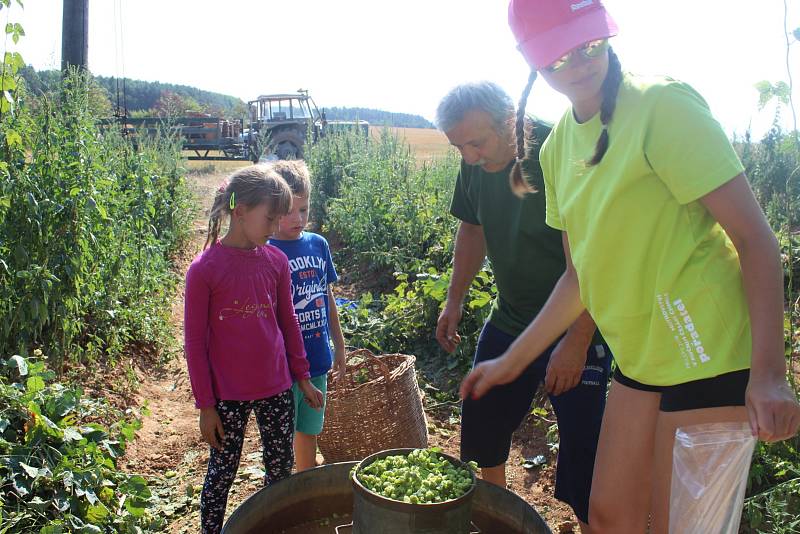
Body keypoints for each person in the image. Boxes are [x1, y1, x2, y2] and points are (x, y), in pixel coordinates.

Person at [461, 1, 800, 532]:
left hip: (707, 353)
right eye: (558, 57)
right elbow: (579, 277)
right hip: (640, 359)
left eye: (589, 45)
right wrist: (512, 361)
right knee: (609, 516)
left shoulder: (662, 105)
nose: (578, 64)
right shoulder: (554, 150)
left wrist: (770, 376)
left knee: (682, 526)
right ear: (535, 64)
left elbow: (756, 240)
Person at [435, 81, 611, 530]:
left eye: (476, 143)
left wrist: (578, 338)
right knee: (481, 420)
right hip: (512, 317)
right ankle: (500, 522)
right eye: (459, 147)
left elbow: (601, 252)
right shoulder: (473, 162)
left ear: (512, 122)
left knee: (584, 449)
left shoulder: (558, 151)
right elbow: (472, 230)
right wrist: (454, 299)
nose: (469, 157)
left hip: (579, 322)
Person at [184, 165, 324, 534]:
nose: (276, 226)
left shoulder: (275, 262)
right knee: (222, 472)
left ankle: (274, 527)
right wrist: (205, 406)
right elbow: (195, 344)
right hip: (227, 395)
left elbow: (289, 322)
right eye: (270, 217)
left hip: (277, 389)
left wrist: (303, 377)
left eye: (280, 218)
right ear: (240, 210)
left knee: (279, 470)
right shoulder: (205, 270)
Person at [268, 159, 347, 471]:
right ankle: (282, 486)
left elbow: (326, 297)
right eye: (289, 211)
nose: (298, 218)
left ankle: (304, 480)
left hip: (316, 357)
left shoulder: (318, 245)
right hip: (281, 366)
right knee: (281, 433)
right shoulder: (267, 251)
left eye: (304, 209)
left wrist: (338, 345)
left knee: (309, 428)